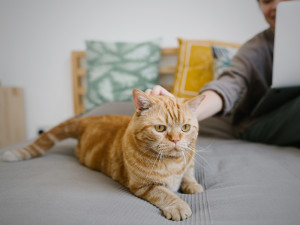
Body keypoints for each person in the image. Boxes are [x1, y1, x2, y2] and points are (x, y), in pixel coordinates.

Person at [146, 0, 300, 148]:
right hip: (256, 123)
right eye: (267, 1)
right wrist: (185, 113)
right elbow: (228, 85)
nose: (276, 6)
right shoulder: (254, 49)